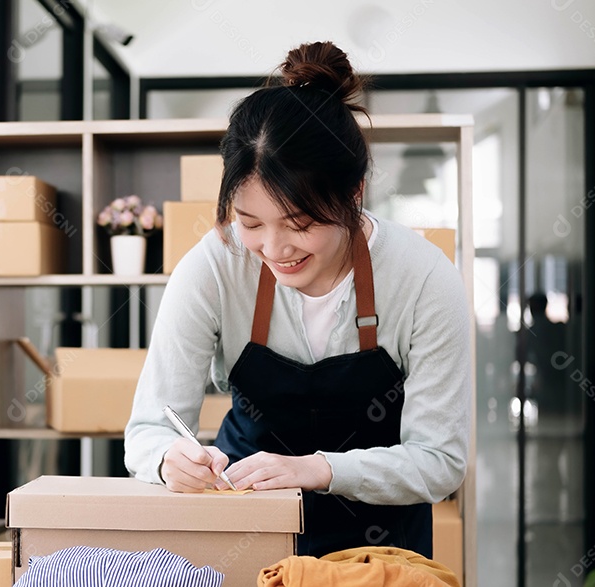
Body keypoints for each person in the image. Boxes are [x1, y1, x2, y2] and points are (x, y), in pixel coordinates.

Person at [124, 41, 470, 558]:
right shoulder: (215, 265)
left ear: (354, 194)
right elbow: (149, 428)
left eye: (299, 224)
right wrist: (167, 458)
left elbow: (440, 461)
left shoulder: (424, 278)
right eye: (250, 223)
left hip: (379, 551)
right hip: (245, 534)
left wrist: (318, 468)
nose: (274, 249)